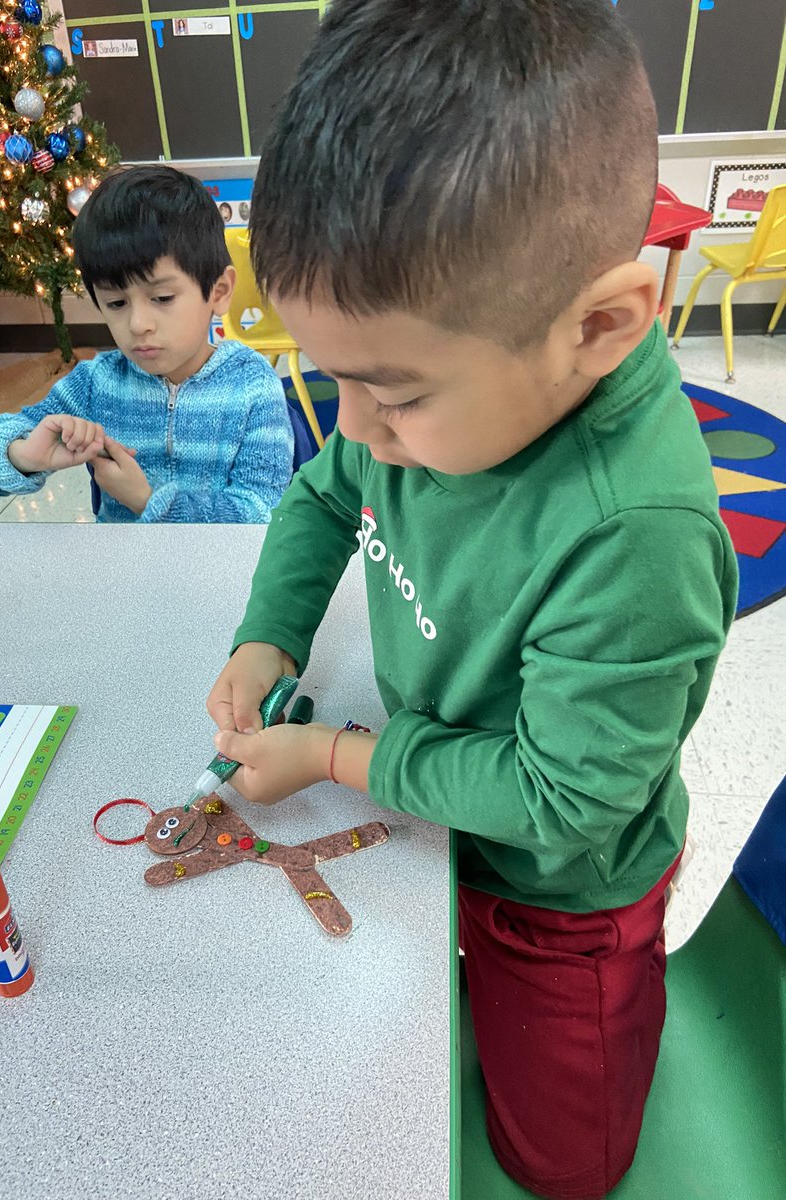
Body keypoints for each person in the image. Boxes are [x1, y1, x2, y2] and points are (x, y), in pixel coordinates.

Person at [203, 2, 738, 1197]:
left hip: (562, 902)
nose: (356, 430)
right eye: (328, 377)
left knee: (558, 1166)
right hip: (442, 830)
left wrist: (339, 757)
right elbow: (323, 493)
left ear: (597, 327)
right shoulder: (428, 396)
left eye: (390, 395)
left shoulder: (629, 536)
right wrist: (266, 632)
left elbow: (560, 800)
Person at [0, 165, 293, 523]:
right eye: (116, 303)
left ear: (219, 291)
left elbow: (263, 515)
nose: (138, 325)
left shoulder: (252, 386)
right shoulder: (97, 382)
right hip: (119, 569)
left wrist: (148, 501)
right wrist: (24, 455)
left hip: (218, 573)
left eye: (163, 297)